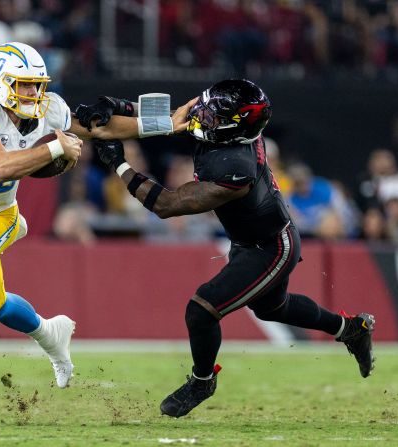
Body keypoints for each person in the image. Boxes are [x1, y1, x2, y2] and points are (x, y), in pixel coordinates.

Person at [80, 79, 376, 418]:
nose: (202, 116)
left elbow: (167, 204)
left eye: (213, 115)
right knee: (273, 309)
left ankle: (202, 380)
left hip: (270, 246)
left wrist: (120, 165)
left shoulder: (236, 170)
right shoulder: (225, 125)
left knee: (201, 310)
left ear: (235, 128)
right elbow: (167, 115)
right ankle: (352, 329)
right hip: (250, 237)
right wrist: (111, 105)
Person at [0, 41, 195, 396]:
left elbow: (102, 128)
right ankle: (49, 333)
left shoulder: (49, 109)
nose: (34, 92)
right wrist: (55, 147)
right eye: (24, 84)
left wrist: (166, 123)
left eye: (38, 84)